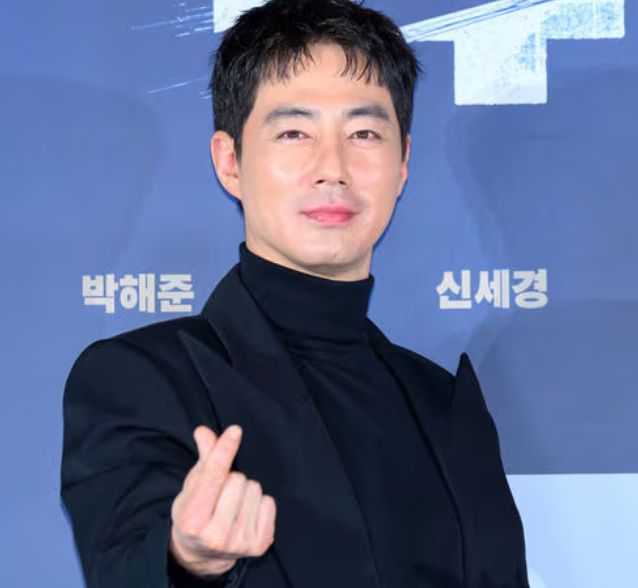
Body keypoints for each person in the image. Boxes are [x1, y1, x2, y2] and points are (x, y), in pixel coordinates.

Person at [61, 0, 529, 587]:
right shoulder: (144, 378)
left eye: (364, 133)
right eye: (293, 132)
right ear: (230, 162)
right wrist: (189, 558)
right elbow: (125, 563)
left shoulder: (440, 401)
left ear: (403, 163)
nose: (332, 168)